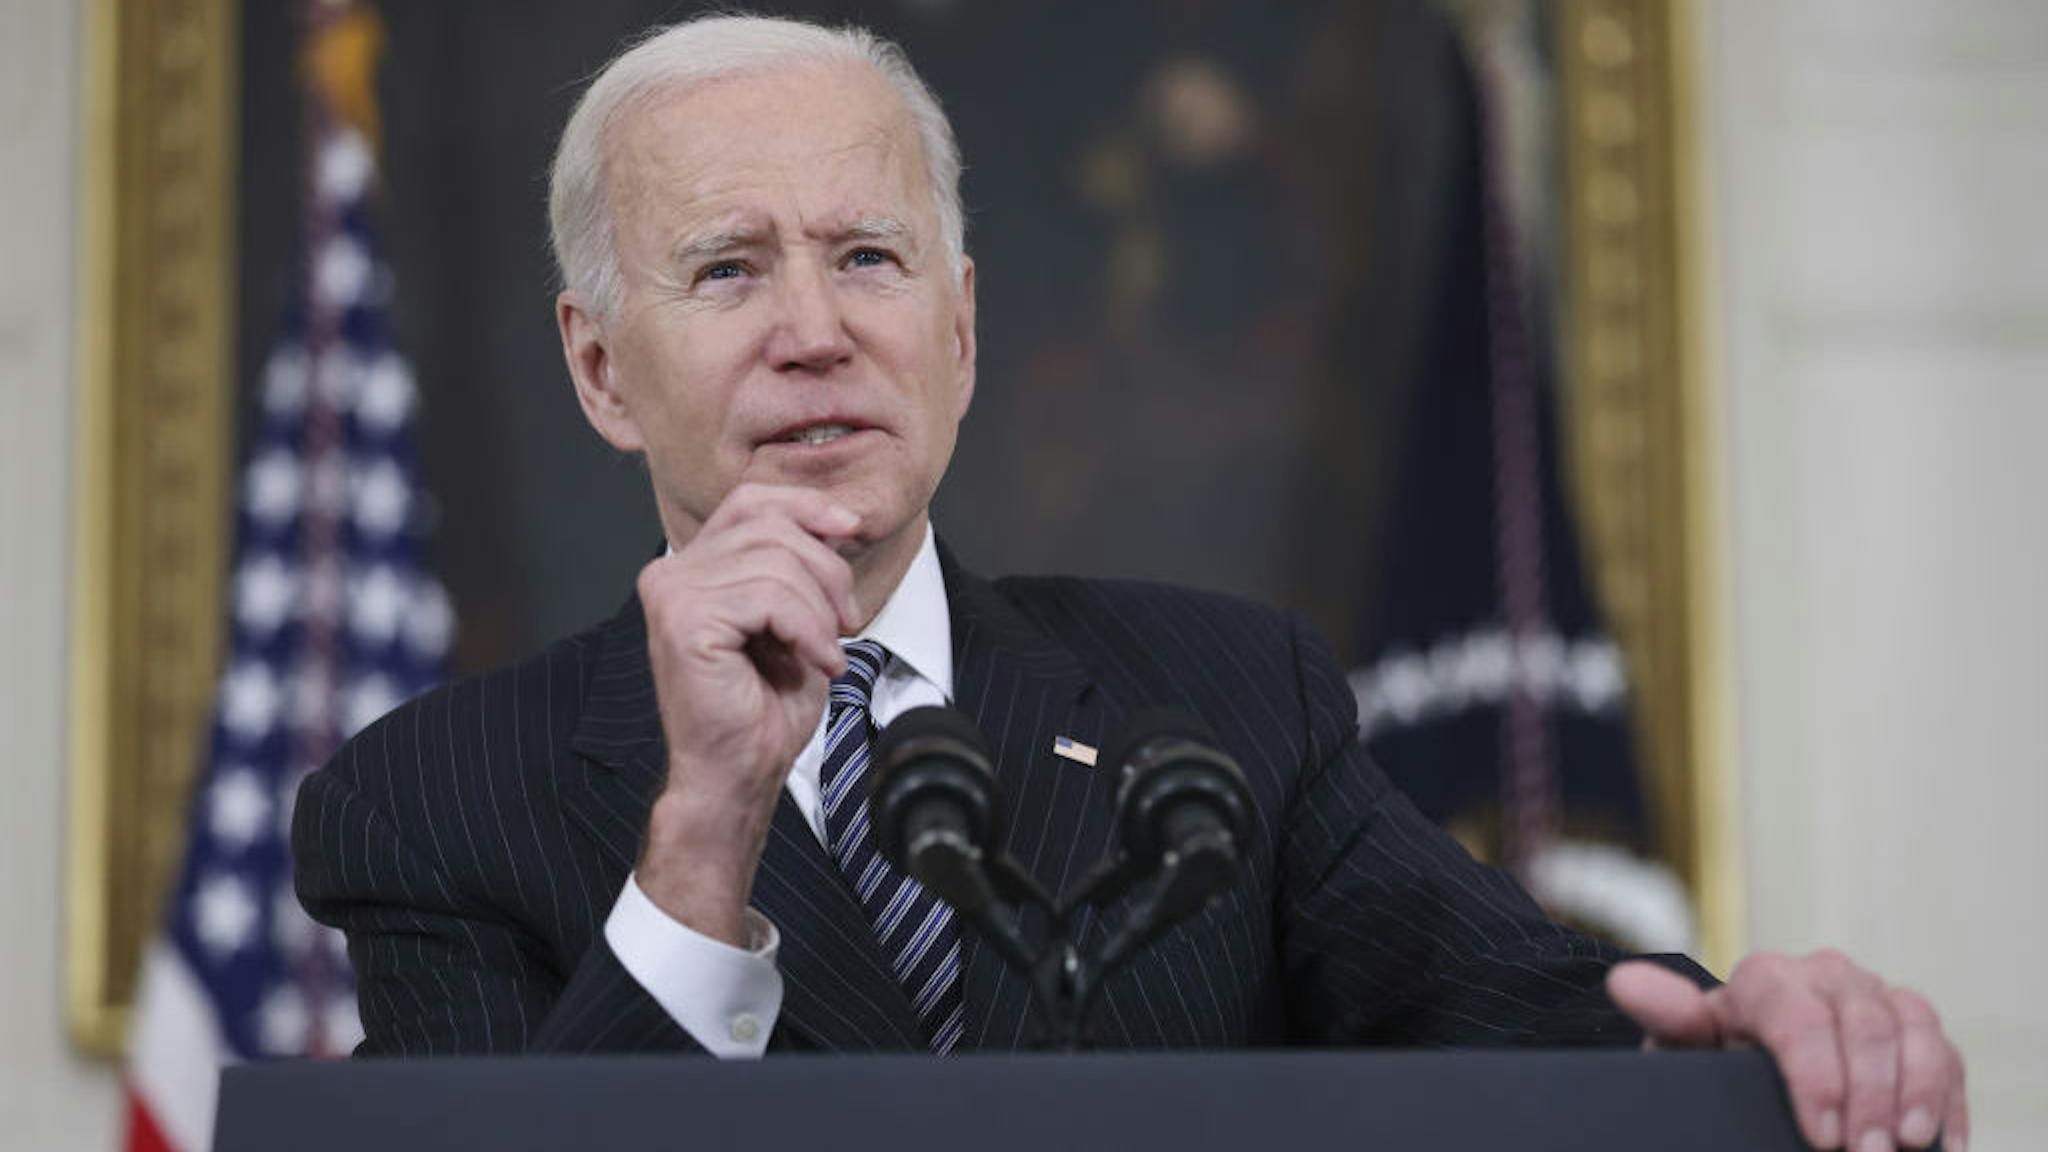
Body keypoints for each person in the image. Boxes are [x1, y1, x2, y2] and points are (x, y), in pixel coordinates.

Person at [292, 15, 1966, 1152]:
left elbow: (1557, 1037)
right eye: (730, 268)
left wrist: (1757, 1036)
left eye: (868, 256)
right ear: (601, 370)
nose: (815, 328)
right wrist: (705, 832)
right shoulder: (431, 803)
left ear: (959, 331)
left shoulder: (1229, 703)